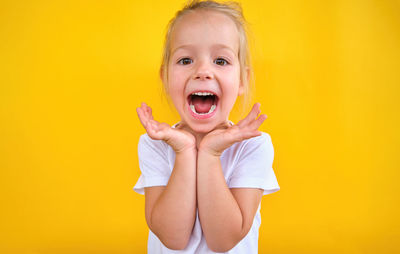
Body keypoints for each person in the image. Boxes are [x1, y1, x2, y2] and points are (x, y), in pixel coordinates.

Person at [133, 0, 280, 253]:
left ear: (242, 80)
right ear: (166, 77)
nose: (203, 71)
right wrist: (184, 151)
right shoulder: (153, 143)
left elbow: (223, 241)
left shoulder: (254, 145)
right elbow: (173, 238)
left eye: (220, 61)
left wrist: (210, 155)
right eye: (186, 60)